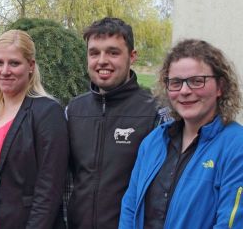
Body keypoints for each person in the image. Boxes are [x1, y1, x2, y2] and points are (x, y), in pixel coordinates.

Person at [119, 39, 243, 228]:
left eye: (196, 81)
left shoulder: (236, 146)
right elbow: (130, 208)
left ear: (221, 86)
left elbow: (232, 223)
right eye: (175, 82)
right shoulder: (153, 142)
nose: (184, 91)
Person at [0, 30, 69, 229]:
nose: (5, 71)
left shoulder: (46, 113)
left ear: (31, 66)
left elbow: (49, 191)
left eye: (14, 63)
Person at [66, 17, 170, 229]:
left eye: (113, 52)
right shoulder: (73, 111)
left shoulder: (157, 111)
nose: (102, 60)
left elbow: (165, 186)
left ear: (132, 56)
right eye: (94, 52)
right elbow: (65, 181)